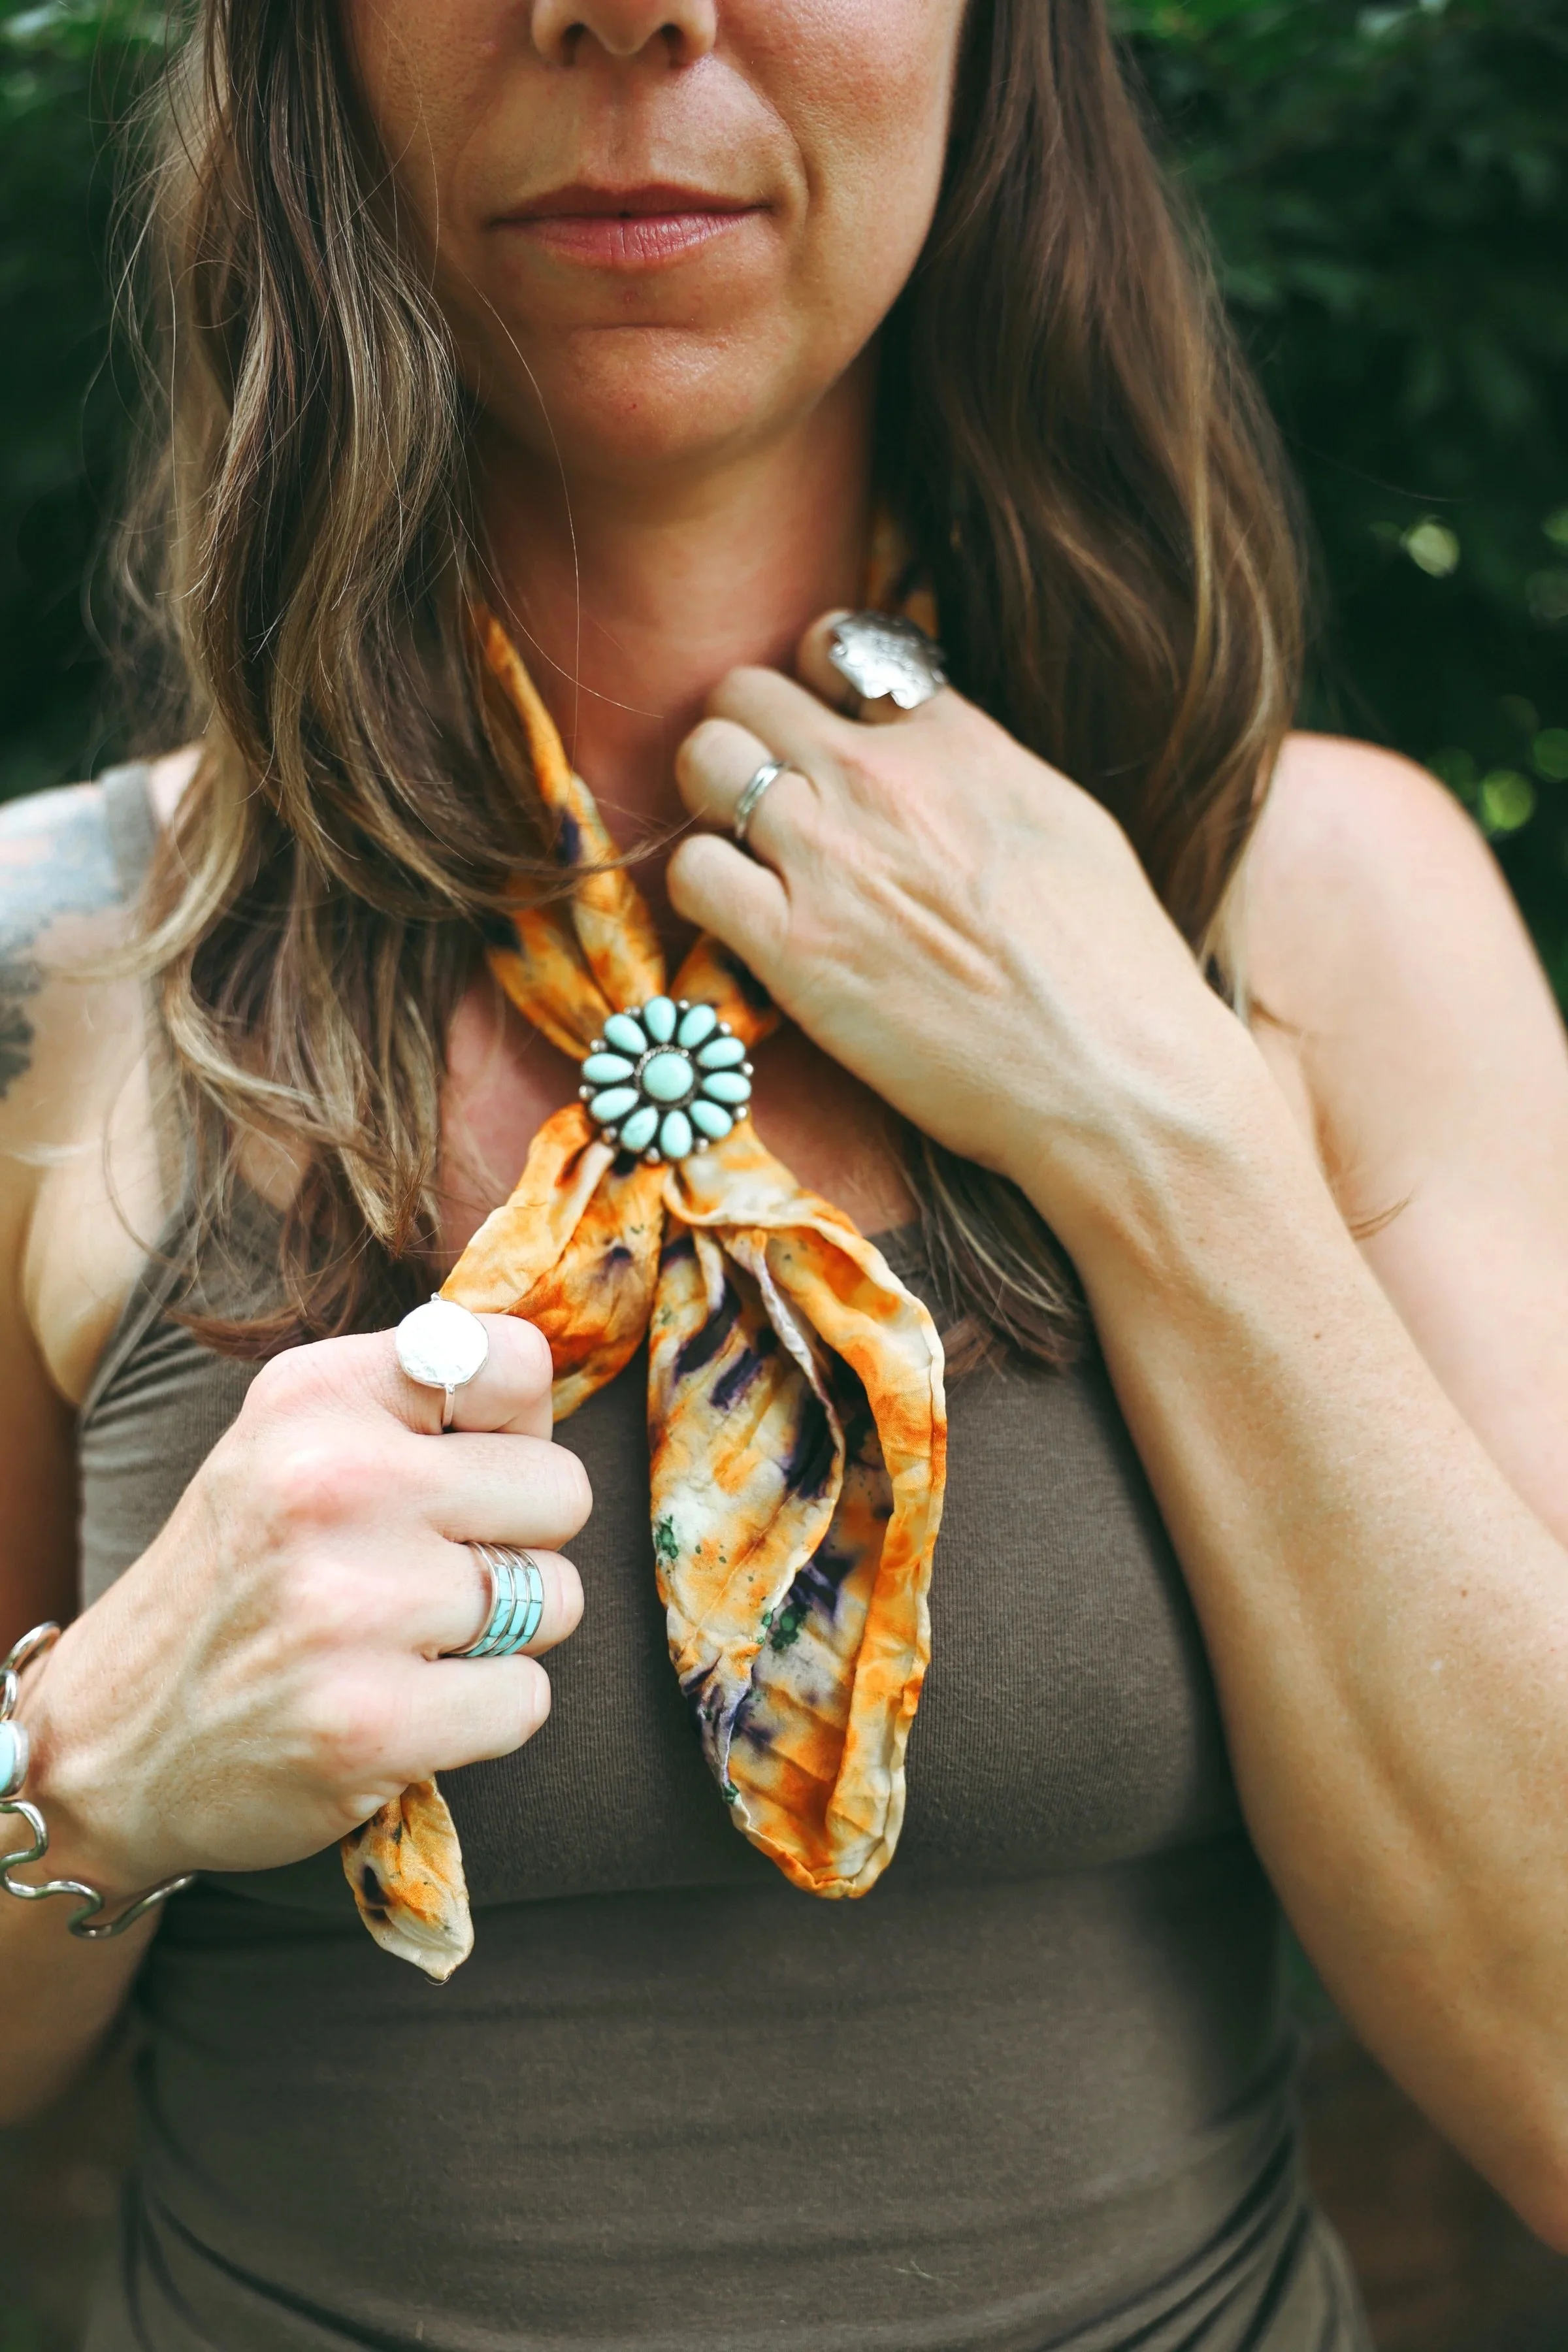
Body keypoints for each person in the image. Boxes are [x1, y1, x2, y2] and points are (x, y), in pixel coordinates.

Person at [3, 0, 1567, 2344]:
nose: (631, 7)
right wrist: (88, 1762)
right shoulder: (51, 973)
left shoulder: (1330, 905)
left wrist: (1165, 1135)